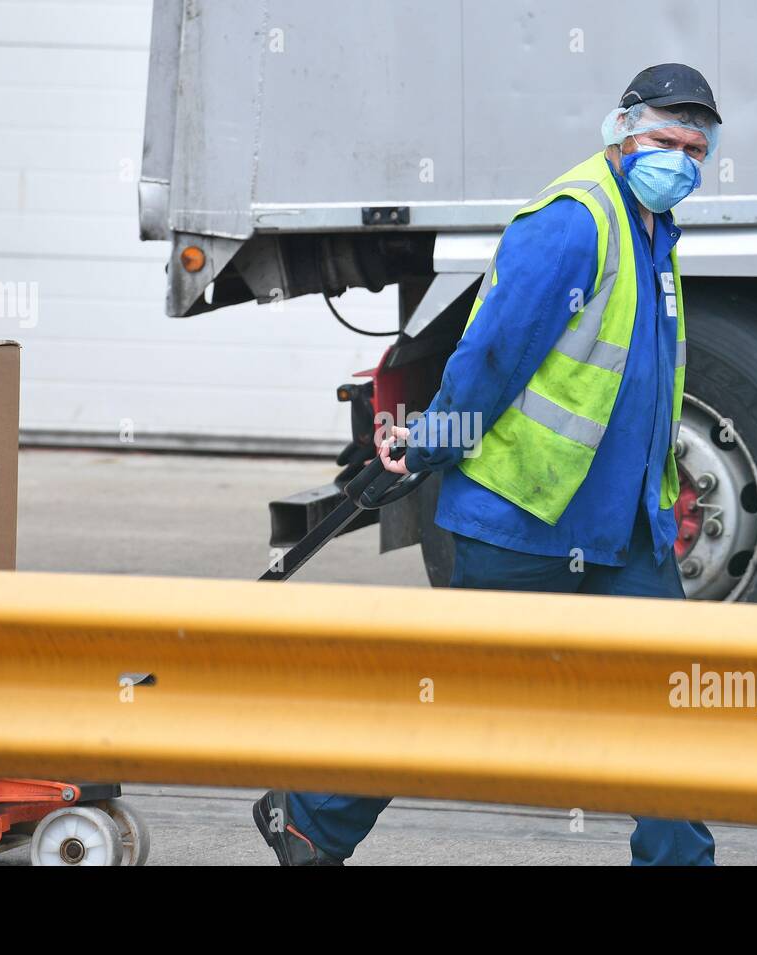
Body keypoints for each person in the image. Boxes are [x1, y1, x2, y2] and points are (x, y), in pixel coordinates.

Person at [255, 63, 722, 866]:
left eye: (693, 148)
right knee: (461, 697)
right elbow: (493, 355)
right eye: (662, 140)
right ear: (620, 131)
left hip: (623, 528)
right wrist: (432, 439)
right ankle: (311, 816)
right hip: (526, 517)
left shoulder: (655, 230)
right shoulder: (573, 223)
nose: (677, 159)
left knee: (667, 710)